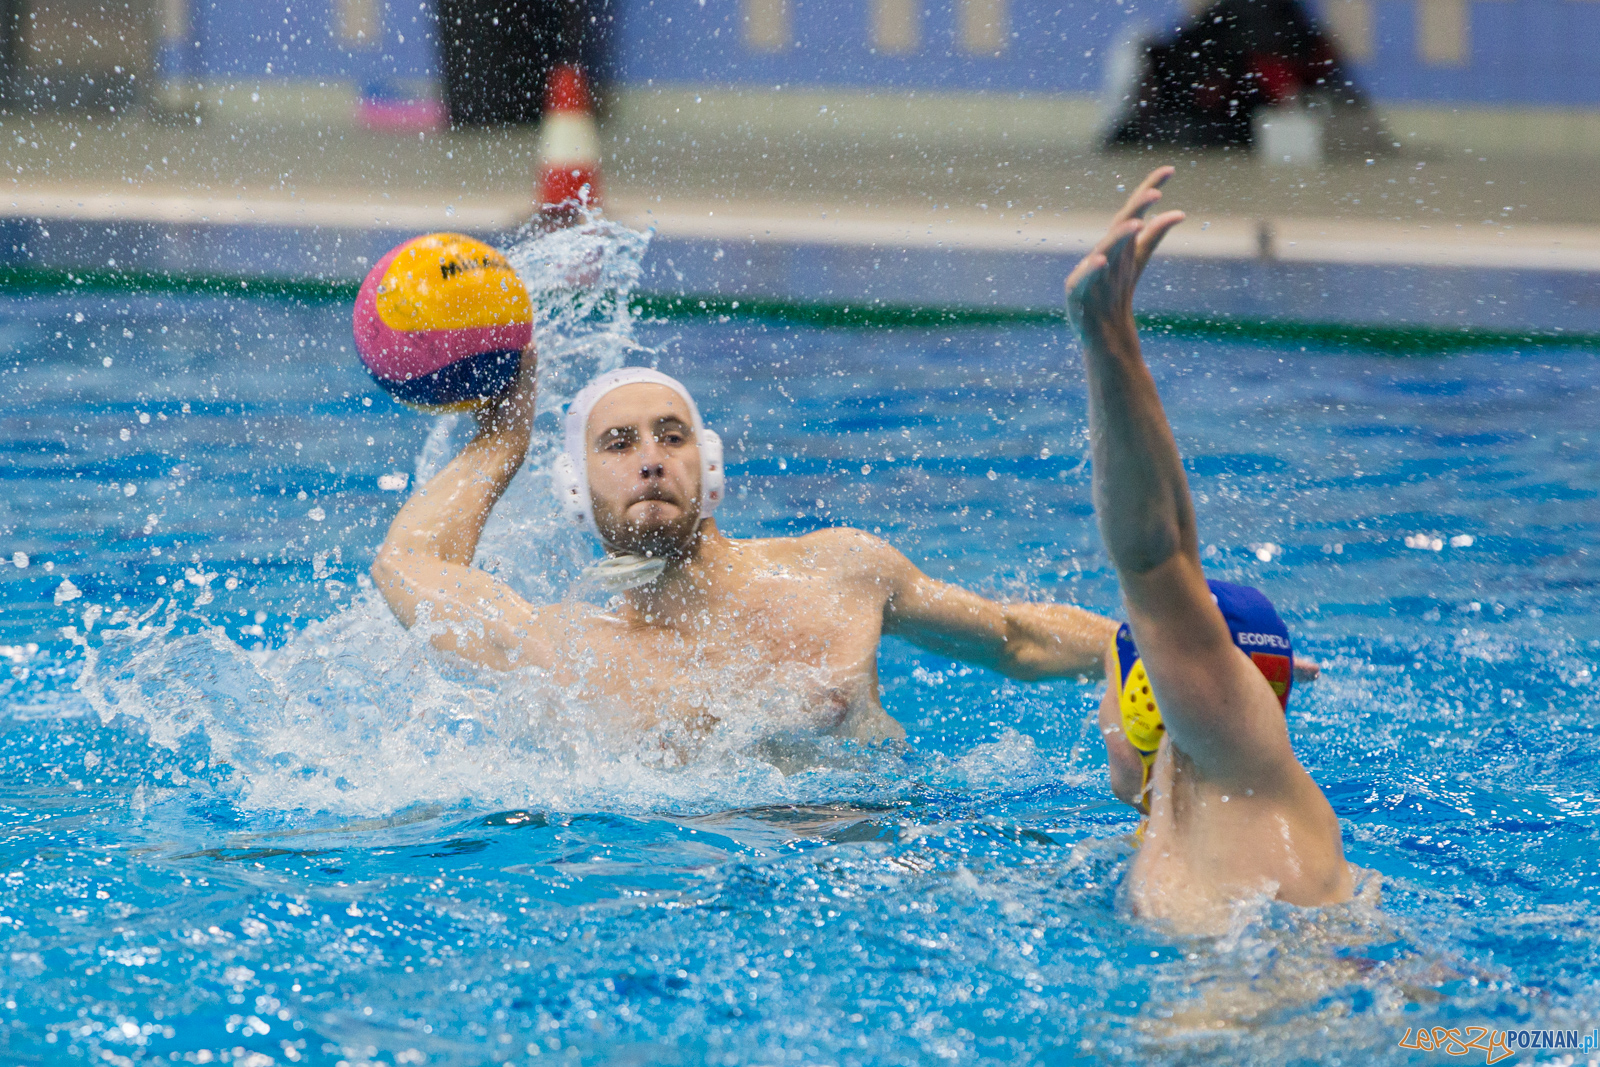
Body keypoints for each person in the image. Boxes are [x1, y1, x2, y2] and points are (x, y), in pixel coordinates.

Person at [370, 361, 1121, 744]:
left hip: (872, 868)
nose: (652, 458)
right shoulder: (565, 648)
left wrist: (1174, 652)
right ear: (575, 490)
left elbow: (1015, 641)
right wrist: (503, 439)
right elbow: (404, 565)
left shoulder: (837, 572)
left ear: (711, 465)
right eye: (618, 443)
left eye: (672, 434)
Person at [1067, 166, 1351, 929]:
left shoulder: (1227, 767)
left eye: (1107, 690)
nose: (1097, 720)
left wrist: (1108, 338)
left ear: (1146, 699)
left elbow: (1158, 558)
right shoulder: (1235, 792)